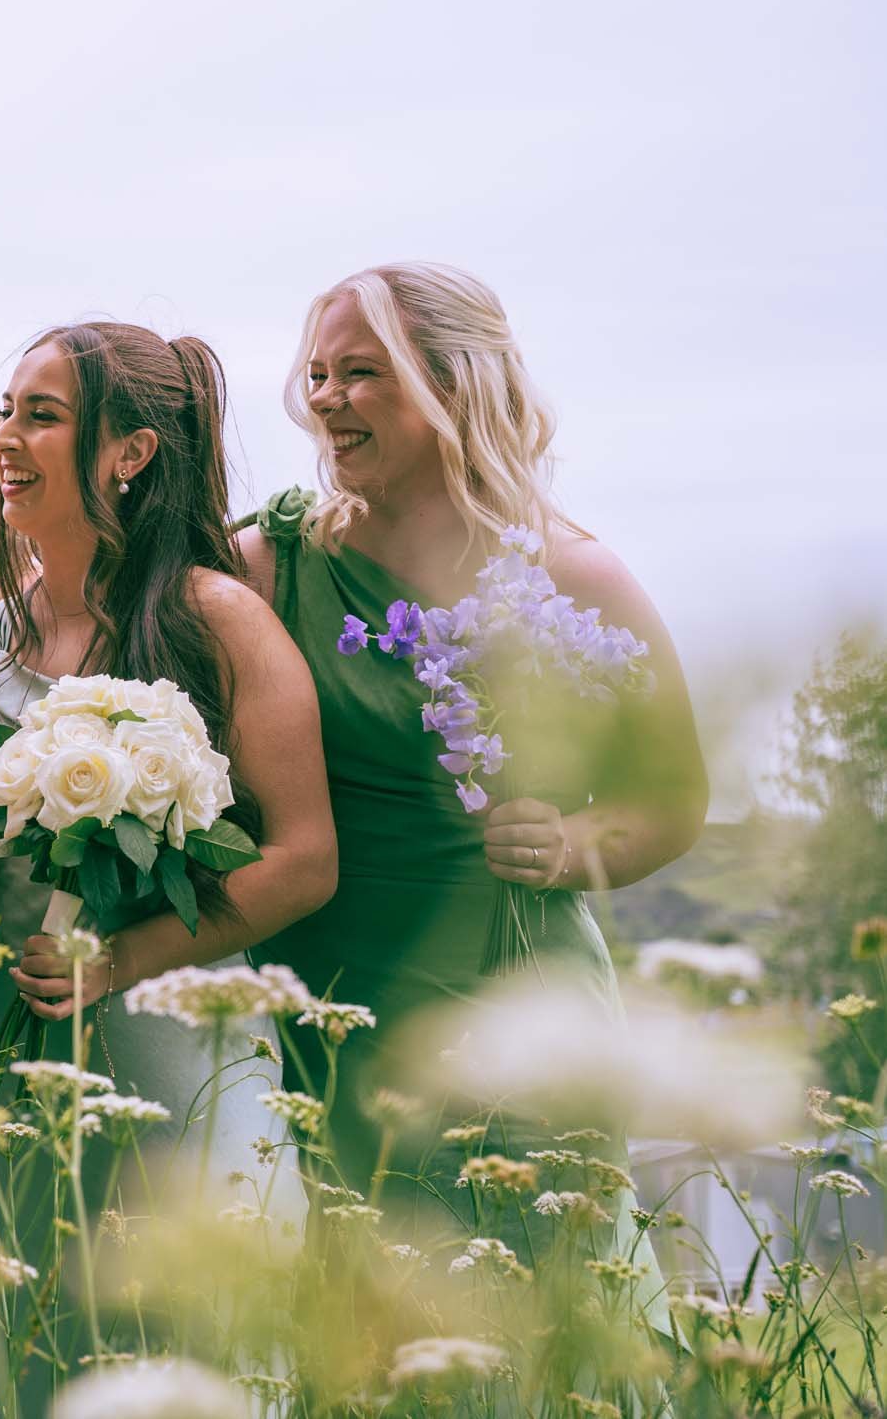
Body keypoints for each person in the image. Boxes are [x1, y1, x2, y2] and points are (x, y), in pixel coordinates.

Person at [236, 261, 704, 1251]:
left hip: (508, 1014)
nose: (324, 398)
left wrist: (573, 841)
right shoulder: (270, 562)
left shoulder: (573, 574)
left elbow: (669, 797)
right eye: (315, 373)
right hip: (308, 1006)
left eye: (358, 371)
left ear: (452, 383)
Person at [0, 323, 336, 1409]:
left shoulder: (218, 621)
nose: (3, 438)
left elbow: (303, 861)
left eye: (40, 415)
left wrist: (119, 958)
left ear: (131, 452)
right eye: (6, 411)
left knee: (194, 1345)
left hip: (173, 1048)